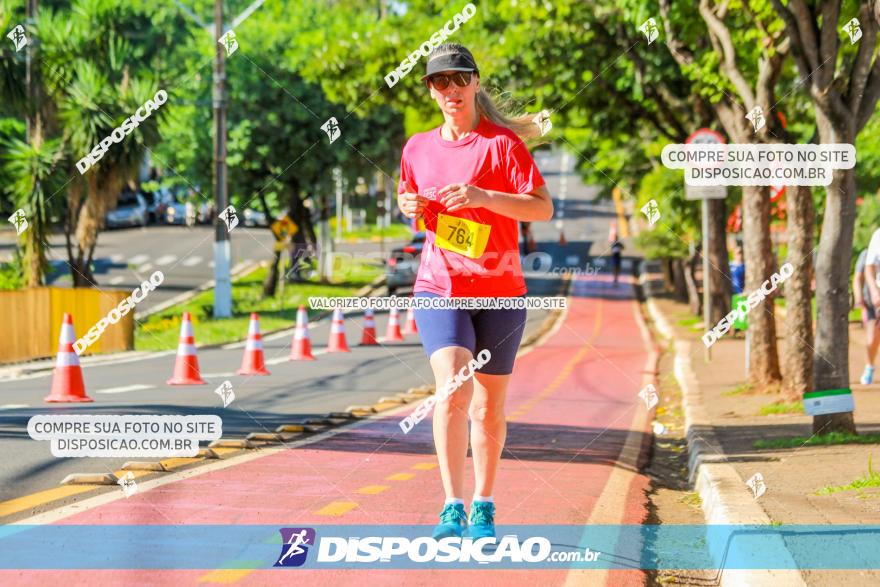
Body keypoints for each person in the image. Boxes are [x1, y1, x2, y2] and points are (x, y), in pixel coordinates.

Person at [396, 43, 553, 540]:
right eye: (440, 82)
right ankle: (451, 506)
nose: (451, 90)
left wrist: (485, 197)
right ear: (430, 90)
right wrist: (408, 205)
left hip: (501, 288)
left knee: (489, 404)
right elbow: (415, 202)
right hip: (439, 285)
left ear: (475, 82)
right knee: (454, 384)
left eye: (459, 79)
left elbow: (542, 209)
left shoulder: (503, 146)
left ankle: (484, 503)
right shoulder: (417, 148)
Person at [855, 247, 880, 384]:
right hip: (871, 304)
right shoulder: (865, 254)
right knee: (872, 340)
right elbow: (858, 278)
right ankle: (869, 366)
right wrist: (859, 298)